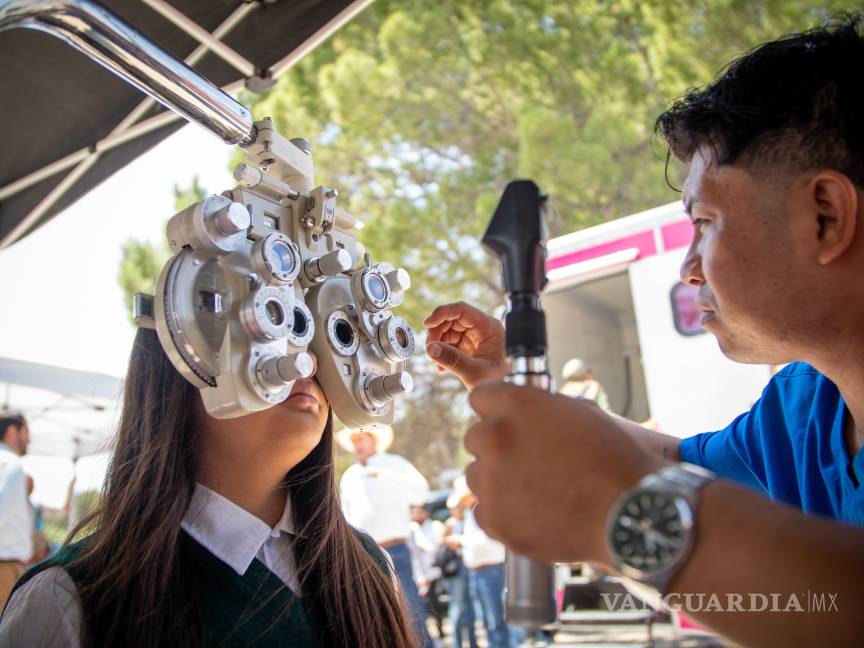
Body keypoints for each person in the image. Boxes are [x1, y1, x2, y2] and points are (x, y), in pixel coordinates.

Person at [424, 14, 864, 648]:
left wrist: (621, 515)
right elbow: (668, 463)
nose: (689, 270)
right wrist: (517, 389)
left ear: (824, 215)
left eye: (705, 222)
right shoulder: (806, 404)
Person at [0, 330, 418, 647]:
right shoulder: (67, 599)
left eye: (312, 331)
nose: (305, 361)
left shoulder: (370, 569)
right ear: (177, 355)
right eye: (265, 328)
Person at [338, 426, 433, 647]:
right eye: (354, 440)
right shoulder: (350, 476)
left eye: (362, 438)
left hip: (397, 551)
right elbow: (345, 516)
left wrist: (384, 476)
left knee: (412, 613)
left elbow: (421, 492)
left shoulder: (395, 464)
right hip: (364, 556)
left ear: (373, 440)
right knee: (376, 618)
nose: (358, 444)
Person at [445, 477, 511, 648]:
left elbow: (487, 540)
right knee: (488, 622)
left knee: (495, 621)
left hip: (490, 571)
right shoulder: (474, 512)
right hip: (480, 572)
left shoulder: (485, 511)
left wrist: (460, 541)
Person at [0, 414, 32, 611]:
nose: (29, 439)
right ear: (12, 431)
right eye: (26, 432)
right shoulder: (11, 464)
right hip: (5, 568)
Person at [441, 493, 479, 648]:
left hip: (470, 566)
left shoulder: (471, 520)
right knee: (458, 608)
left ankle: (472, 642)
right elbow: (442, 542)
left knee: (470, 608)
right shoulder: (450, 524)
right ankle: (458, 643)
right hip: (456, 570)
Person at [408, 501, 446, 641]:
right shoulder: (411, 529)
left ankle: (440, 631)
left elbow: (437, 548)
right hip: (420, 575)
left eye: (419, 511)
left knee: (437, 605)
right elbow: (414, 556)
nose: (416, 514)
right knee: (423, 607)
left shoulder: (435, 526)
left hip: (436, 573)